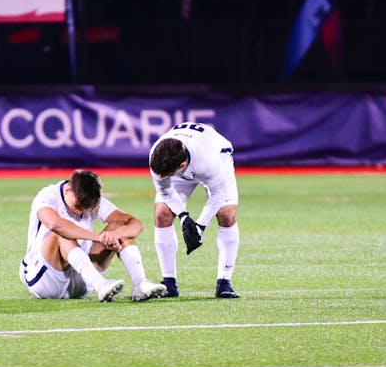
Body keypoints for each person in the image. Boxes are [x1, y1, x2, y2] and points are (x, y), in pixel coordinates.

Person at [20, 169, 167, 302]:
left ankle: (140, 284)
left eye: (86, 208)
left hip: (82, 279)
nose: (79, 212)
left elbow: (136, 224)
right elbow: (56, 225)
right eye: (78, 206)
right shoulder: (47, 196)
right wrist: (98, 237)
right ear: (68, 190)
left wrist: (115, 235)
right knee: (60, 234)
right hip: (44, 278)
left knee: (120, 226)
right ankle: (101, 285)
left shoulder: (92, 199)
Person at [148, 122, 241, 299]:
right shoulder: (157, 155)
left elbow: (218, 193)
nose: (160, 177)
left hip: (218, 158)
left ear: (181, 166)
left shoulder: (208, 161)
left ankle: (224, 283)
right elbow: (165, 191)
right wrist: (184, 217)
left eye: (165, 174)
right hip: (183, 164)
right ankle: (169, 283)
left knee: (226, 215)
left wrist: (200, 225)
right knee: (162, 213)